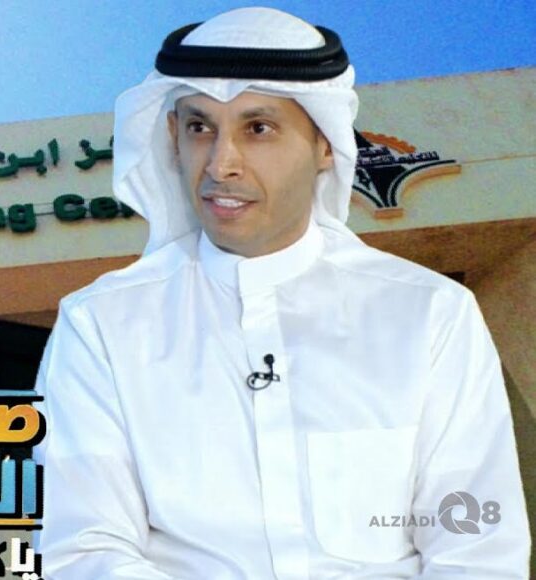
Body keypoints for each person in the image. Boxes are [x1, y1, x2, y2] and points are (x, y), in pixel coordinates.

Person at [34, 7, 529, 579]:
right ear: (173, 138)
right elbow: (81, 549)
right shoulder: (103, 323)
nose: (221, 164)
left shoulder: (428, 313)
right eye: (199, 128)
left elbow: (476, 550)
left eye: (258, 129)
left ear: (326, 145)